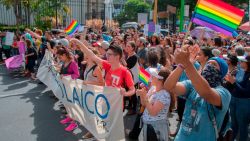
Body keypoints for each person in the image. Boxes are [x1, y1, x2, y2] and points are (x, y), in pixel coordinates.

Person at [164, 48, 231, 141]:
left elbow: (206, 93)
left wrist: (187, 64)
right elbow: (169, 86)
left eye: (214, 64)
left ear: (221, 72)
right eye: (208, 64)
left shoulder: (224, 93)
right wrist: (181, 65)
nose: (209, 66)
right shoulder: (192, 85)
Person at [70, 38, 135, 96]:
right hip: (105, 100)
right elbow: (92, 56)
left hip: (116, 105)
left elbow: (132, 90)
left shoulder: (125, 72)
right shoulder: (108, 65)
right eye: (107, 54)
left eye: (109, 54)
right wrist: (78, 42)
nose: (107, 56)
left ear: (117, 57)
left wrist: (125, 93)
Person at [137, 68, 171, 141]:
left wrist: (145, 96)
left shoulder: (164, 94)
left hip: (156, 128)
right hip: (148, 125)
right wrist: (142, 94)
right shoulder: (153, 88)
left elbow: (153, 112)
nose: (150, 78)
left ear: (161, 80)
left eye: (153, 76)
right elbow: (144, 104)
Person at [225, 55, 250, 141]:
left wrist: (234, 82)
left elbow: (246, 92)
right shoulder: (240, 71)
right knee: (233, 124)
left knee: (242, 125)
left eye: (243, 61)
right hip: (234, 99)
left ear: (248, 64)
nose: (240, 62)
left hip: (244, 102)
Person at [56, 47, 80, 132]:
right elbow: (64, 72)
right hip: (66, 87)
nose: (59, 59)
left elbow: (77, 75)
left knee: (73, 105)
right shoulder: (64, 62)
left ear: (65, 55)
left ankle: (74, 123)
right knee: (67, 104)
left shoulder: (72, 63)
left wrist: (65, 76)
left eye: (60, 57)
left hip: (72, 88)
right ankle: (70, 117)